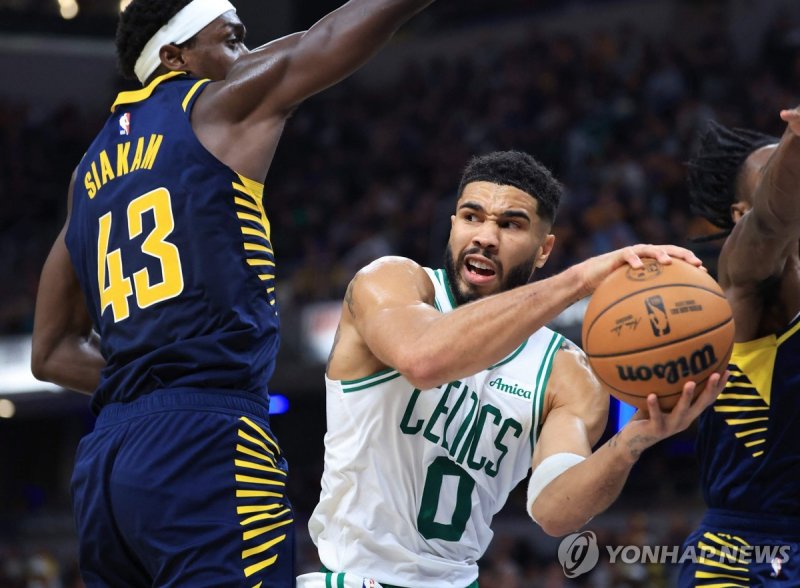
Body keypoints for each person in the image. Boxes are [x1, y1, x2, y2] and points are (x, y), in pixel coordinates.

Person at [29, 0, 435, 585]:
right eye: (232, 40)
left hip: (107, 465)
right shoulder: (215, 107)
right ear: (175, 56)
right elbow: (324, 40)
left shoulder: (85, 175)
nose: (246, 56)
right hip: (205, 440)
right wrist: (181, 387)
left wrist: (145, 380)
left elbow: (49, 352)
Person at [298, 150, 727, 588]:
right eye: (472, 217)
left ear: (544, 251)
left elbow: (554, 511)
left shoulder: (565, 370)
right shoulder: (392, 283)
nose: (485, 237)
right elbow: (422, 360)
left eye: (510, 225)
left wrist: (635, 439)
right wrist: (578, 280)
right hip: (351, 577)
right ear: (453, 226)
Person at [678, 113, 800, 586]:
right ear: (739, 213)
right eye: (776, 173)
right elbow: (771, 220)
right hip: (748, 552)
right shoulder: (753, 279)